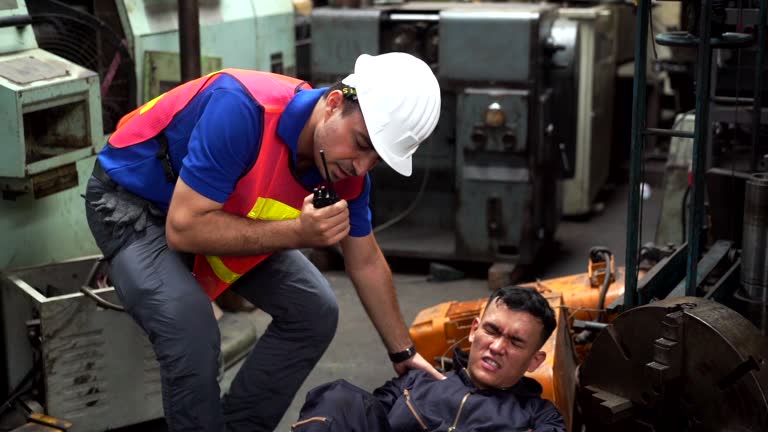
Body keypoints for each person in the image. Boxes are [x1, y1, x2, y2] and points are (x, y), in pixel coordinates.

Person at [83, 52, 444, 432]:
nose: (361, 166)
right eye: (362, 143)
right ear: (335, 103)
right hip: (133, 201)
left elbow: (365, 260)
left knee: (314, 310)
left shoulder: (344, 170)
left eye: (377, 159)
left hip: (223, 210)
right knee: (192, 328)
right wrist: (298, 233)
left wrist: (403, 352)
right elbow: (184, 229)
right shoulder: (243, 109)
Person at [292, 286, 565, 431]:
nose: (497, 347)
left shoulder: (539, 416)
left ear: (535, 361)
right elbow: (362, 417)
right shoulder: (416, 382)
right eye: (492, 331)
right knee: (339, 398)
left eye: (515, 342)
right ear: (474, 331)